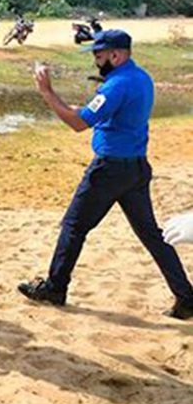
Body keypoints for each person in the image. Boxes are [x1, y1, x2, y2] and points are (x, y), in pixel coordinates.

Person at [19, 30, 193, 320]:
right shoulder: (141, 78)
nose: (96, 62)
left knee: (73, 226)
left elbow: (77, 124)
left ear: (116, 55)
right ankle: (186, 296)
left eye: (99, 56)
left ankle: (55, 287)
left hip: (110, 168)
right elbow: (96, 114)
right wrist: (74, 107)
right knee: (152, 235)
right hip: (136, 167)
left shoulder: (117, 86)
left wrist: (47, 92)